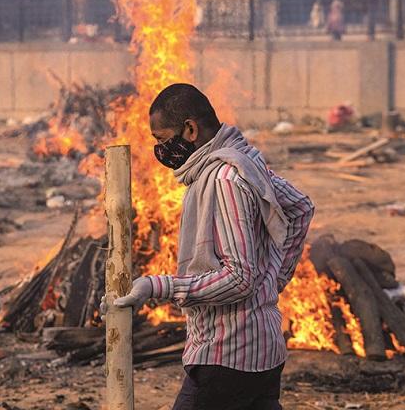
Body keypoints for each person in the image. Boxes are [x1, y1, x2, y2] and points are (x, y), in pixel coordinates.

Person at [109, 83, 315, 410]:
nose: (161, 150)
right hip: (263, 349)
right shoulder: (243, 160)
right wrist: (274, 277)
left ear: (190, 129)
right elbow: (300, 207)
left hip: (228, 352)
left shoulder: (222, 179)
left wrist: (156, 286)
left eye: (162, 139)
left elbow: (239, 277)